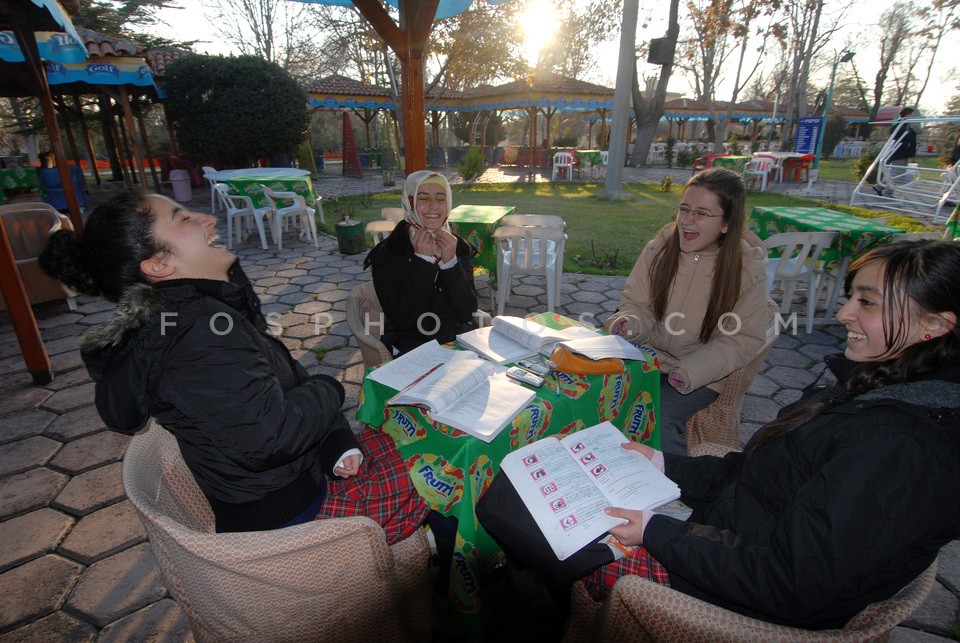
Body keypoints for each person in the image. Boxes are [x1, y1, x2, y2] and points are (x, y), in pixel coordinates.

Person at [478, 239, 960, 630]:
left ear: (935, 325)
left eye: (867, 303)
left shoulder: (903, 448)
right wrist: (662, 462)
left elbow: (792, 581)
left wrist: (654, 530)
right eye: (852, 296)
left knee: (504, 498)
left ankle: (588, 612)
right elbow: (759, 475)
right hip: (733, 536)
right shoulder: (887, 389)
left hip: (731, 593)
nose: (843, 315)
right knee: (548, 479)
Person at [40, 191, 428, 538]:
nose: (207, 219)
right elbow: (269, 439)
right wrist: (330, 387)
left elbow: (282, 386)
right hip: (296, 516)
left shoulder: (191, 313)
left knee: (425, 434)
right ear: (157, 264)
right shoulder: (198, 336)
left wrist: (337, 441)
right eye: (182, 218)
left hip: (300, 476)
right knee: (449, 461)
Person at [603, 168, 775, 454]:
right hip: (648, 357)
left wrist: (690, 371)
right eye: (684, 209)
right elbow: (637, 303)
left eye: (701, 213)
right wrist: (630, 323)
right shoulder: (659, 248)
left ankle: (675, 489)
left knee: (658, 418)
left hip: (700, 375)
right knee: (597, 397)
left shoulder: (746, 268)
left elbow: (742, 338)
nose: (687, 220)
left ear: (727, 224)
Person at [363, 171, 479, 356]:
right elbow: (402, 320)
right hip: (411, 347)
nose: (433, 205)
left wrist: (450, 263)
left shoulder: (457, 246)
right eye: (423, 198)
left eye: (441, 199)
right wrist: (423, 261)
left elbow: (467, 312)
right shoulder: (390, 252)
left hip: (457, 342)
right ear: (409, 203)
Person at [875, 107, 918, 196]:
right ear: (907, 114)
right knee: (896, 172)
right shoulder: (901, 124)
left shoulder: (907, 124)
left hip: (904, 153)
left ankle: (880, 186)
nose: (913, 116)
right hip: (899, 152)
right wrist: (906, 144)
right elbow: (895, 136)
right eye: (912, 114)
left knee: (896, 172)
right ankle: (888, 192)